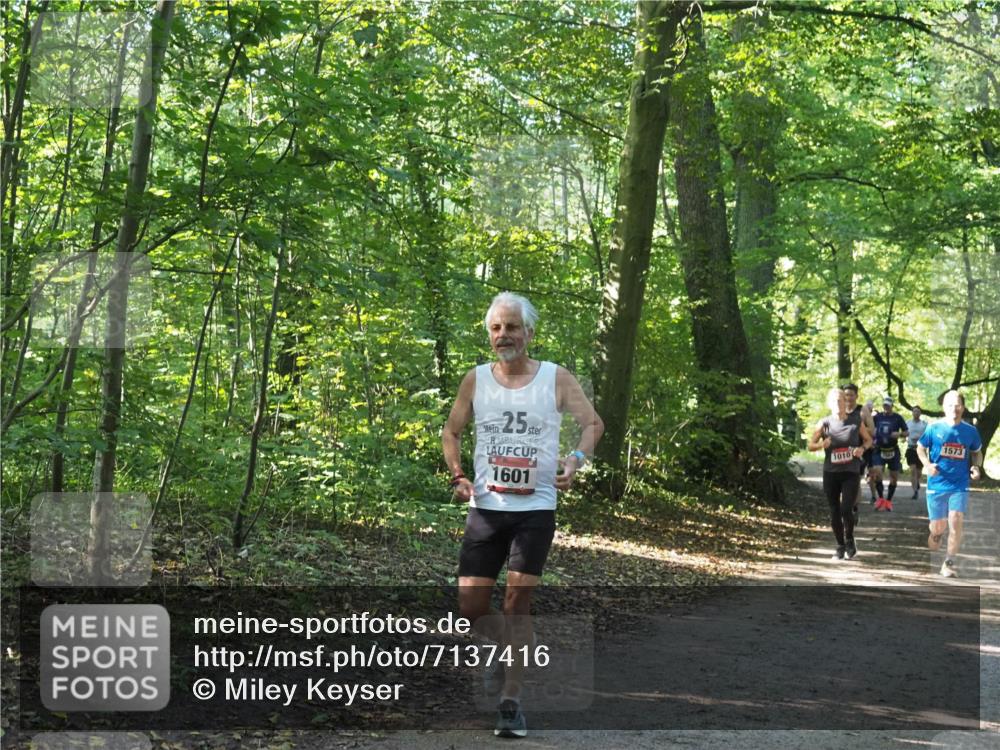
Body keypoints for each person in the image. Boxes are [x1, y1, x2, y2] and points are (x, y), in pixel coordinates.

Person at [442, 292, 604, 738]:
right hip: (487, 509)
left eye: (512, 327)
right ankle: (516, 651)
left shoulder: (555, 378)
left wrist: (574, 459)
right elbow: (451, 430)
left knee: (517, 605)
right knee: (471, 607)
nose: (503, 335)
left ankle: (511, 700)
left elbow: (594, 423)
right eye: (496, 328)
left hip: (535, 509)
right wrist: (458, 475)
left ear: (529, 333)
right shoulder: (475, 380)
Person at [916, 390, 983, 578]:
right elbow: (920, 448)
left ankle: (949, 563)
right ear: (944, 407)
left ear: (963, 407)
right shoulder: (933, 428)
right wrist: (928, 465)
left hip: (959, 485)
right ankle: (935, 535)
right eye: (950, 405)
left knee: (956, 520)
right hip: (937, 484)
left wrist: (976, 467)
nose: (954, 408)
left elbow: (977, 452)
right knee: (938, 528)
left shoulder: (970, 431)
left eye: (958, 404)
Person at [808, 387, 873, 560]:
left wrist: (861, 449)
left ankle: (849, 538)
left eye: (841, 400)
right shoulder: (824, 424)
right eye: (834, 401)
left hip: (850, 472)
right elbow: (810, 445)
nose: (838, 404)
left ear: (846, 402)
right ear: (829, 404)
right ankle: (840, 545)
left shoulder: (855, 422)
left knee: (846, 509)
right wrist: (822, 445)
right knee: (834, 510)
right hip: (831, 472)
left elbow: (868, 440)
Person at [841, 384, 875, 522]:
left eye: (851, 395)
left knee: (855, 480)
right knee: (841, 480)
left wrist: (856, 428)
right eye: (846, 395)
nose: (848, 398)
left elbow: (872, 430)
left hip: (859, 450)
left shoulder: (863, 410)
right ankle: (845, 507)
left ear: (856, 396)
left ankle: (853, 508)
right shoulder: (838, 409)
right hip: (842, 450)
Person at [870, 397, 908, 511]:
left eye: (888, 405)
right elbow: (869, 428)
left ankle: (889, 501)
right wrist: (872, 435)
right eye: (884, 405)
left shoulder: (898, 417)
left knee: (894, 477)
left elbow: (907, 432)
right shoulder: (877, 417)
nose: (886, 407)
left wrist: (900, 434)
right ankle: (881, 498)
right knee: (877, 472)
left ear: (892, 406)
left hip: (893, 450)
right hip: (879, 449)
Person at [905, 406, 928, 499]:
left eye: (918, 411)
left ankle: (917, 482)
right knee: (913, 470)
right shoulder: (907, 423)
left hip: (921, 449)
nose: (916, 413)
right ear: (912, 413)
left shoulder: (924, 424)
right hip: (911, 448)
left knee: (918, 472)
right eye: (914, 411)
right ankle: (915, 491)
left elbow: (928, 436)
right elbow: (904, 433)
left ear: (920, 413)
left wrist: (921, 439)